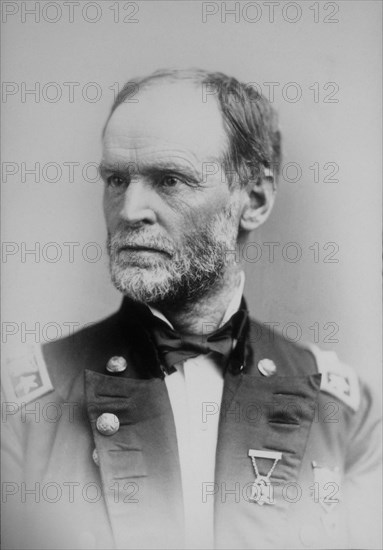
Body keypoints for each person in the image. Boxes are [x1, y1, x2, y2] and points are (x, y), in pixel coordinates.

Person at [1, 69, 381, 550]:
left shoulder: (344, 415)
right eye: (117, 179)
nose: (130, 209)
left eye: (170, 180)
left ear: (255, 200)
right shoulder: (22, 408)